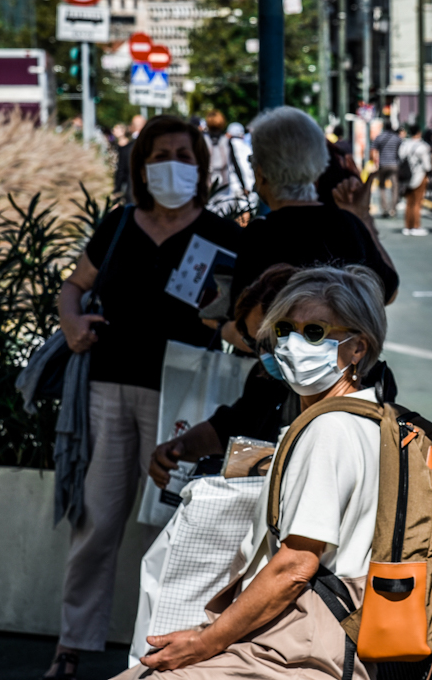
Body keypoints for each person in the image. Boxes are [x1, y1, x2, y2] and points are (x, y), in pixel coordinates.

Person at [115, 265, 390, 680]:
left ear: (358, 348)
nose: (294, 345)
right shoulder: (375, 418)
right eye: (283, 330)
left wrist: (203, 642)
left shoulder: (328, 429)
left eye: (314, 332)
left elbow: (294, 566)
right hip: (322, 637)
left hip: (301, 646)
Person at [46, 116, 243, 680]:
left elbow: (237, 318)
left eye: (184, 154)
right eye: (161, 154)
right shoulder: (117, 225)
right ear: (141, 165)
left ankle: (157, 655)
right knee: (97, 522)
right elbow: (74, 285)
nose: (173, 164)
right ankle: (71, 644)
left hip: (183, 398)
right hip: (108, 387)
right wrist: (70, 323)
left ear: (201, 166)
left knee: (170, 528)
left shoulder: (223, 235)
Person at [226, 106, 399, 349]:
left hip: (281, 379)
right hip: (346, 375)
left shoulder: (261, 234)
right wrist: (363, 217)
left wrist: (223, 330)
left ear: (261, 173)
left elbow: (249, 327)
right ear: (318, 167)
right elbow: (388, 292)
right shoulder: (347, 224)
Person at [148, 265, 298, 486]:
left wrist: (238, 464)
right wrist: (180, 447)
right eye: (253, 344)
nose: (264, 354)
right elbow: (232, 425)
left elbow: (296, 467)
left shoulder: (327, 389)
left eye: (269, 341)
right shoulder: (265, 377)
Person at [396, 128, 432, 236]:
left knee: (409, 202)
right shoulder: (423, 147)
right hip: (419, 175)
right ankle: (416, 226)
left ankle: (407, 226)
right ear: (419, 133)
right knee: (417, 202)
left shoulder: (404, 145)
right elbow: (427, 165)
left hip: (406, 176)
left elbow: (400, 157)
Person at [369, 123, 403, 218]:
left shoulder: (380, 137)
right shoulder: (397, 138)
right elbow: (401, 150)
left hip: (383, 164)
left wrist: (375, 163)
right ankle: (393, 209)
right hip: (394, 165)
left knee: (382, 187)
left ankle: (384, 209)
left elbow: (373, 150)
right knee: (395, 187)